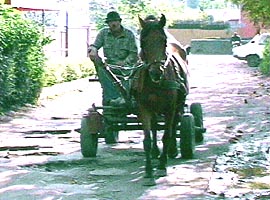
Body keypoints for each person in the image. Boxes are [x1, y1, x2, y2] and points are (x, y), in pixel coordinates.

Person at [88, 11, 139, 106]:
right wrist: (93, 50)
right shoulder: (103, 33)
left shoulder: (129, 34)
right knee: (103, 72)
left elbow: (133, 53)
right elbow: (95, 45)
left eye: (115, 21)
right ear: (108, 24)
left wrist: (124, 62)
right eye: (110, 22)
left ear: (120, 22)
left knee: (129, 76)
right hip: (109, 65)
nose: (113, 24)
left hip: (126, 66)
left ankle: (125, 98)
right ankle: (112, 100)